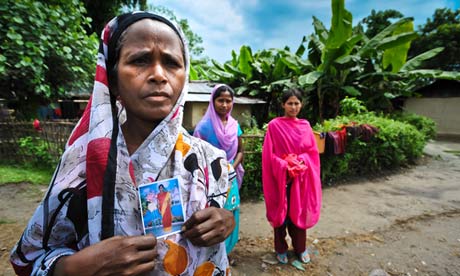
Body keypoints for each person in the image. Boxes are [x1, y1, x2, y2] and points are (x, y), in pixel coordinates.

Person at [10, 11, 235, 276]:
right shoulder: (84, 163)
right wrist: (76, 267)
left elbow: (223, 213)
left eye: (172, 63)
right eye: (140, 60)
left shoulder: (209, 161)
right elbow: (31, 256)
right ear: (113, 80)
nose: (159, 75)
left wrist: (226, 221)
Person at [262, 88, 322, 265]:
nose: (293, 107)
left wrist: (300, 161)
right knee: (280, 215)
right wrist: (284, 164)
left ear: (301, 105)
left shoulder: (305, 126)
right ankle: (280, 248)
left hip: (300, 180)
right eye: (290, 103)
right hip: (280, 179)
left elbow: (312, 154)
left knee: (299, 214)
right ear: (283, 105)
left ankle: (300, 248)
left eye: (296, 103)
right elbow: (268, 155)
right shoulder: (274, 126)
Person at [193, 84, 244, 254]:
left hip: (230, 177)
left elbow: (240, 152)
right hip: (211, 179)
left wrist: (230, 168)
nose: (224, 105)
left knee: (231, 212)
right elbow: (196, 154)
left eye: (228, 101)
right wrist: (218, 169)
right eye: (220, 100)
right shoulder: (204, 127)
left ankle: (227, 252)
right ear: (213, 101)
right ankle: (213, 253)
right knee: (213, 214)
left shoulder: (234, 126)